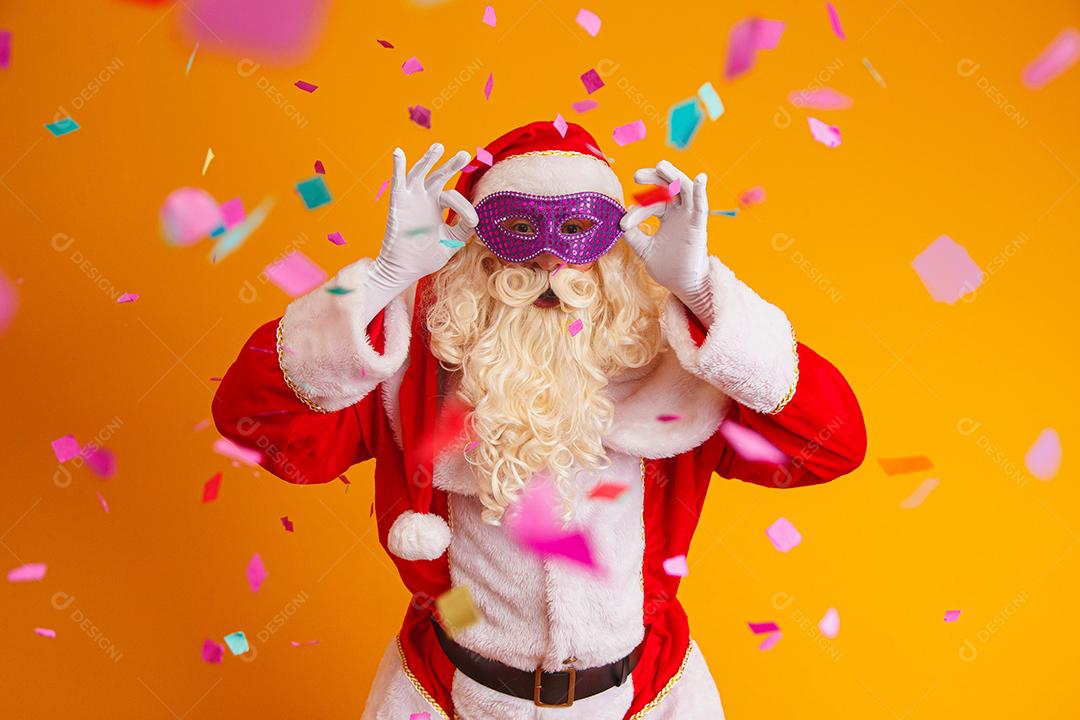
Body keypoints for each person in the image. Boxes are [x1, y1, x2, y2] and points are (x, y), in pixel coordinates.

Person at [213, 120, 867, 719]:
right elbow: (256, 423)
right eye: (521, 231)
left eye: (577, 231)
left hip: (646, 697)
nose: (551, 261)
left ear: (616, 251)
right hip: (450, 696)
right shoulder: (409, 368)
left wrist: (700, 292)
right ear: (477, 251)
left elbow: (832, 445)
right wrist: (382, 281)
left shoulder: (681, 370)